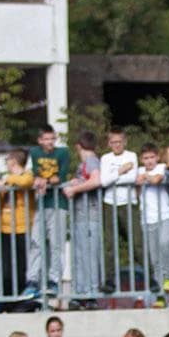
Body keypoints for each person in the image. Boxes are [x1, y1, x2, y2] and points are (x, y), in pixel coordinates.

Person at [25, 125, 71, 299]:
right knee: (36, 241)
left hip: (58, 203)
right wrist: (38, 180)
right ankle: (32, 280)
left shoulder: (62, 153)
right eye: (45, 139)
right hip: (41, 204)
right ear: (40, 140)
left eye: (52, 138)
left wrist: (45, 181)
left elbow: (60, 176)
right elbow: (32, 174)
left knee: (56, 243)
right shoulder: (35, 153)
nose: (49, 142)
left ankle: (54, 280)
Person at [64, 132, 103, 307]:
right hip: (81, 215)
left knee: (88, 254)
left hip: (89, 214)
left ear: (78, 146)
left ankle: (90, 292)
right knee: (80, 254)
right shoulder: (85, 163)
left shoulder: (91, 160)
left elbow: (96, 180)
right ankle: (80, 292)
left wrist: (75, 189)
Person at [99, 127, 139, 294]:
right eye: (113, 142)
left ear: (125, 142)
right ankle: (110, 279)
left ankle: (149, 276)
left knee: (137, 242)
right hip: (110, 202)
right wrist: (121, 170)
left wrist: (114, 175)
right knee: (110, 244)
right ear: (109, 143)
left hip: (128, 202)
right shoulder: (105, 158)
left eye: (119, 142)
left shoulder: (131, 156)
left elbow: (133, 177)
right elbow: (104, 181)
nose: (116, 145)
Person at [136, 144, 169, 304]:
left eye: (152, 157)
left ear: (157, 157)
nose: (149, 161)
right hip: (147, 218)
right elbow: (137, 182)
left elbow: (157, 179)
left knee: (165, 243)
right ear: (141, 159)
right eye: (146, 158)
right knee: (154, 257)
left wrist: (147, 178)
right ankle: (160, 294)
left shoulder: (161, 167)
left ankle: (168, 278)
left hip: (165, 215)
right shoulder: (139, 170)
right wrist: (144, 178)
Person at [0, 149, 33, 298]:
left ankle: (22, 297)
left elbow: (25, 182)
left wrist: (9, 179)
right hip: (5, 228)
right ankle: (7, 299)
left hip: (23, 227)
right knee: (6, 266)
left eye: (8, 161)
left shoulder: (27, 174)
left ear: (13, 162)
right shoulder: (6, 178)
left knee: (22, 265)